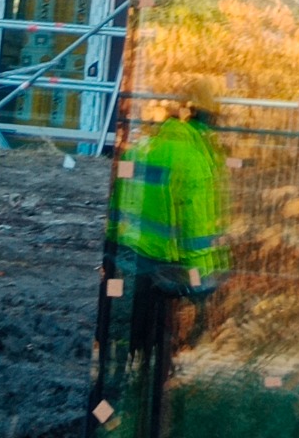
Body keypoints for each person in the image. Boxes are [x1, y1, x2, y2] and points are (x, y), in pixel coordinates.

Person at [103, 97, 229, 438]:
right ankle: (140, 415)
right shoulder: (194, 158)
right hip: (159, 269)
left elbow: (118, 206)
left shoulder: (141, 148)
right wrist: (201, 280)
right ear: (207, 125)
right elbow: (197, 229)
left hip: (122, 263)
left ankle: (105, 415)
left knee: (116, 350)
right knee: (152, 353)